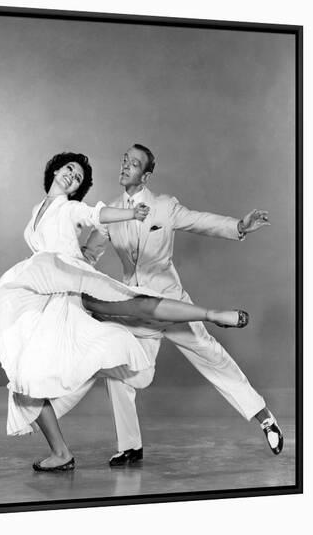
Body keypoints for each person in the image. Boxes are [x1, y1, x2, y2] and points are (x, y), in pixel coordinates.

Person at [0, 152, 249, 472]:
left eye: (79, 178)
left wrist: (129, 215)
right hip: (47, 295)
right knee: (24, 382)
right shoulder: (36, 211)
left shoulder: (70, 208)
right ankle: (61, 453)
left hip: (72, 288)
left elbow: (96, 214)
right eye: (70, 169)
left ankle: (212, 315)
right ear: (56, 170)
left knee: (133, 301)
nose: (73, 176)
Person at [81, 144, 284, 467]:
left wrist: (240, 227)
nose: (125, 167)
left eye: (133, 164)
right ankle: (130, 446)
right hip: (135, 310)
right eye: (124, 161)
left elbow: (201, 221)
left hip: (172, 304)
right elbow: (89, 255)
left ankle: (264, 418)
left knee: (213, 357)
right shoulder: (110, 212)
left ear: (146, 175)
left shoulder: (164, 207)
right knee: (119, 370)